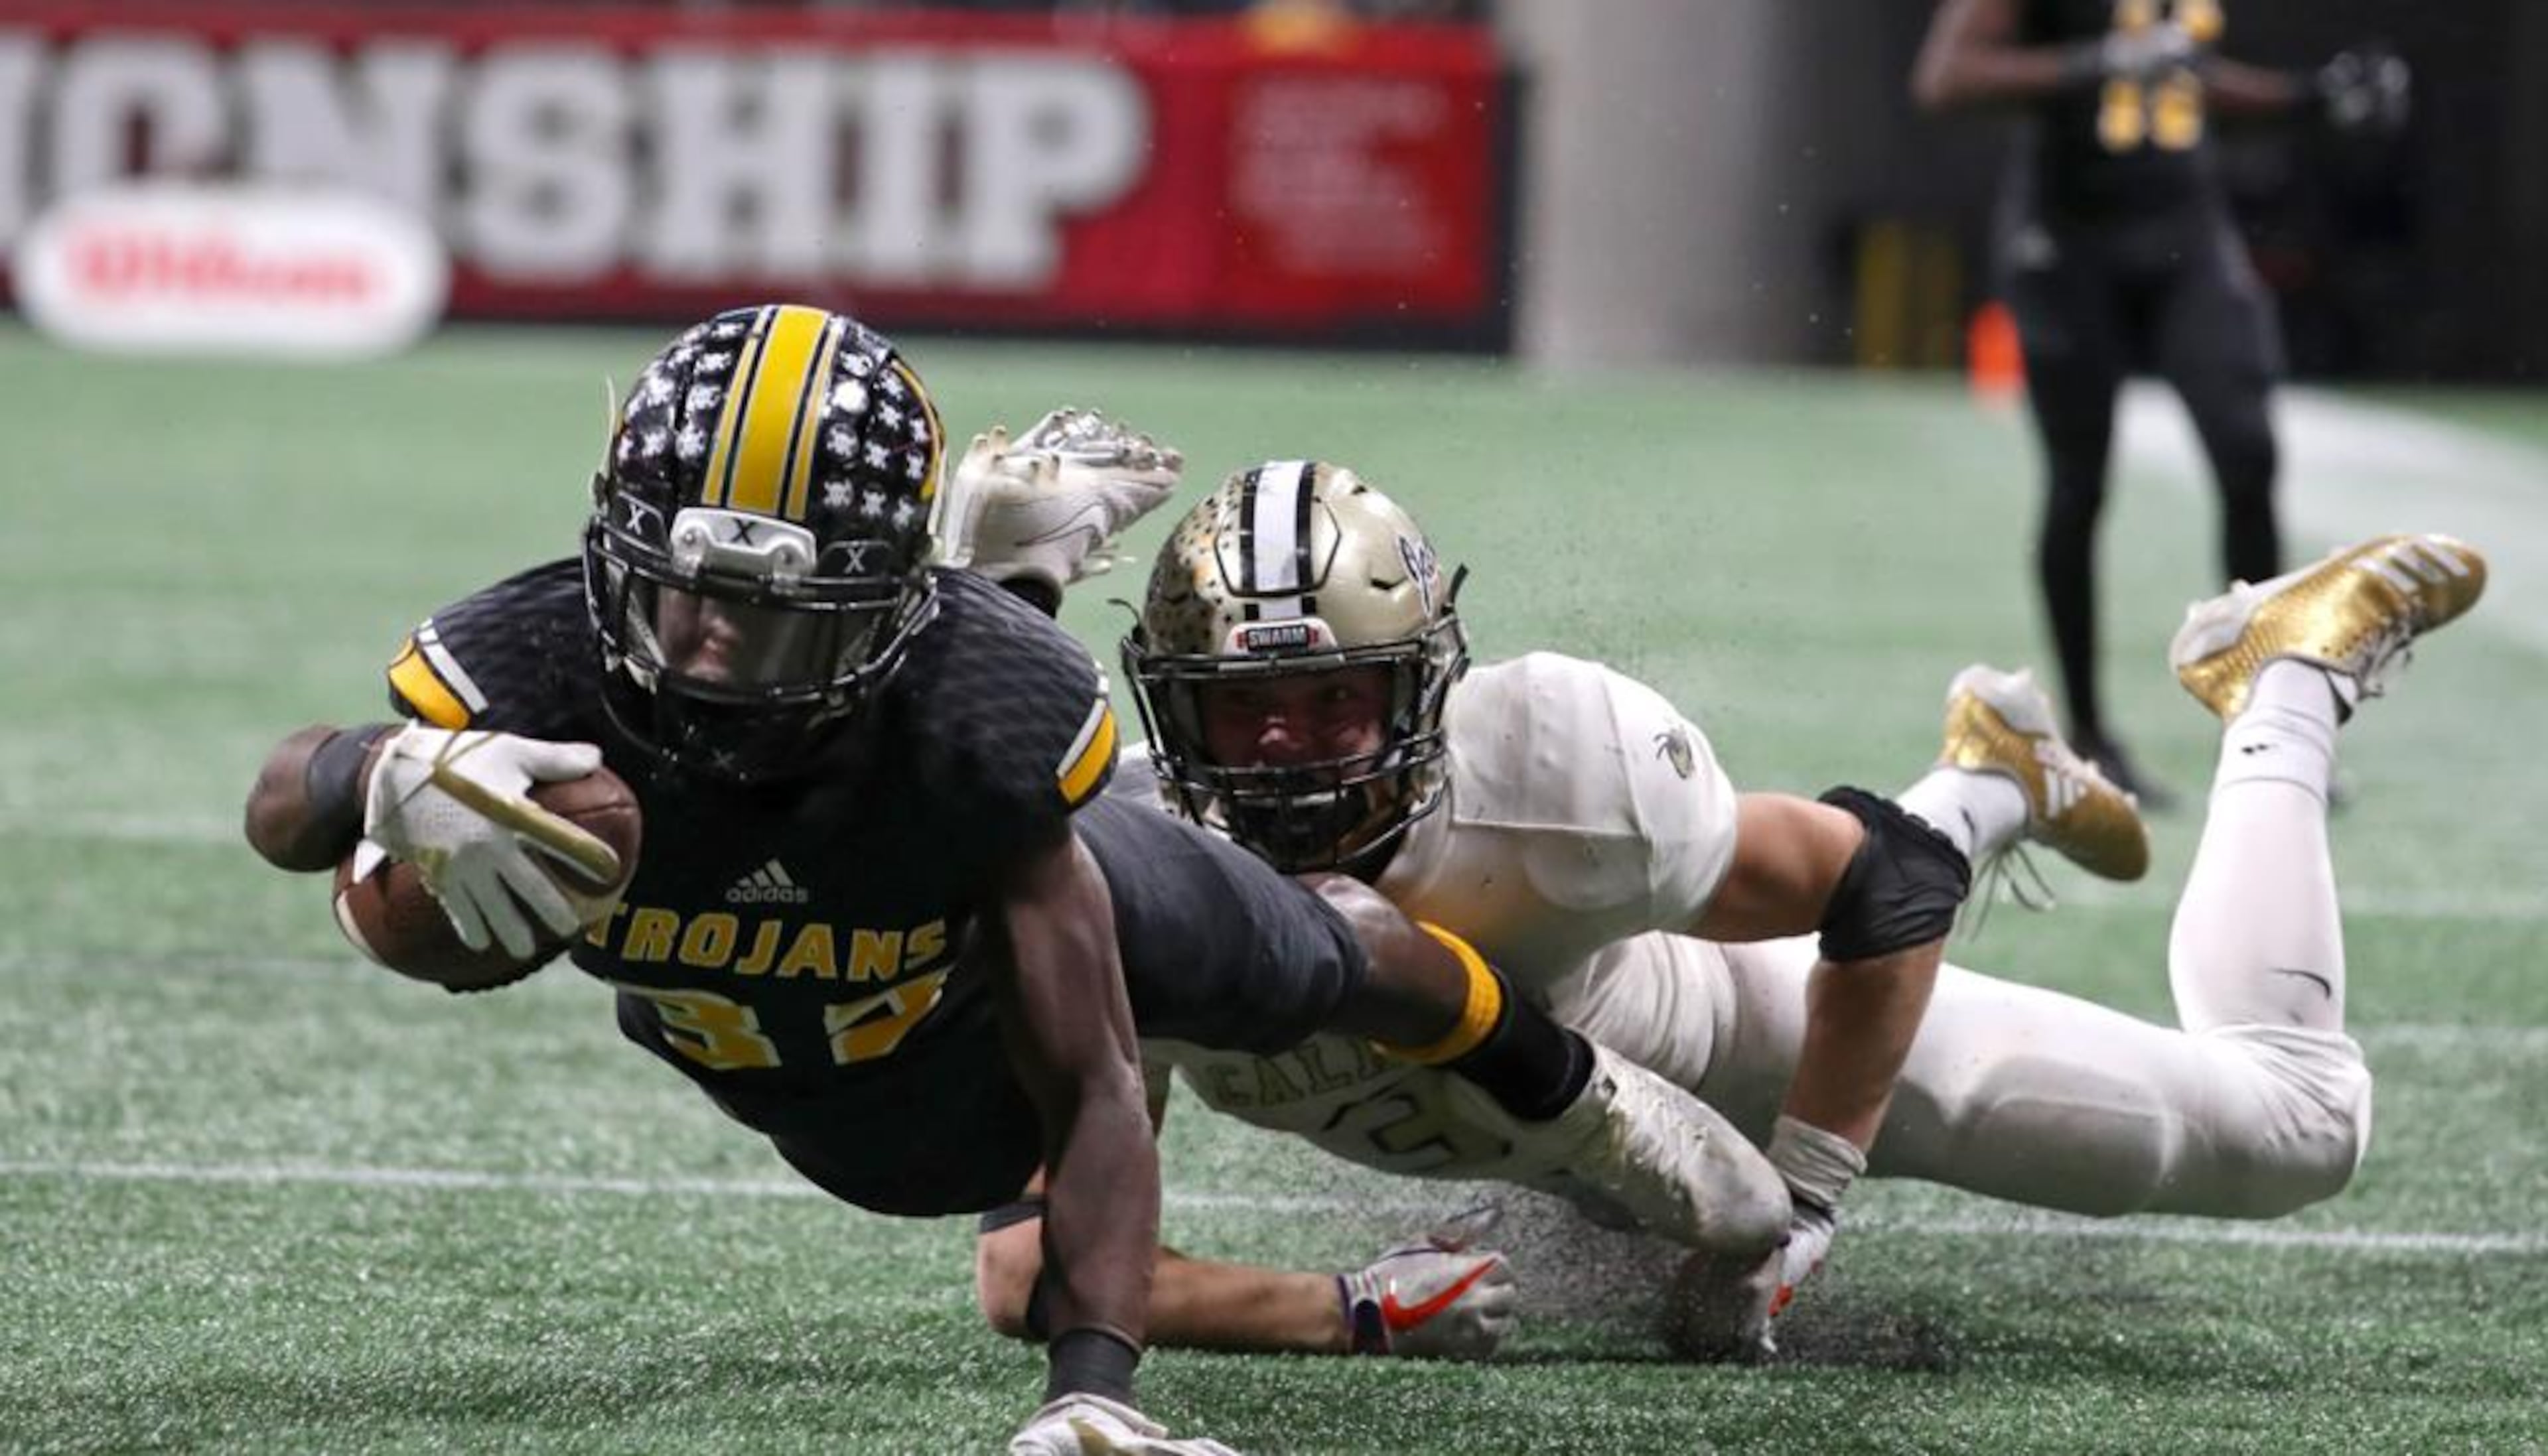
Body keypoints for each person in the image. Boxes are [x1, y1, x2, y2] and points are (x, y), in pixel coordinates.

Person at [240, 305, 1798, 1455]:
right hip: (816, 1074)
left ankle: (1593, 1099)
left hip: (962, 994)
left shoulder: (969, 717)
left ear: (880, 608)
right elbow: (280, 798)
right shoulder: (536, 668)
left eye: (775, 618)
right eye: (683, 595)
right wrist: (370, 773)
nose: (710, 653)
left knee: (1333, 951)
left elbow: (1094, 1078)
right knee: (554, 819)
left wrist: (1091, 1395)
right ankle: (1019, 556)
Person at [963, 461, 2482, 1362]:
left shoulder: (1554, 780)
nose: (1287, 749)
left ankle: (2284, 672)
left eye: (1328, 700)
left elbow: (1876, 877)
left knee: (2297, 1126)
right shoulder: (1130, 861)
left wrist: (1809, 1193)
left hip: (1732, 1059)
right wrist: (1346, 1308)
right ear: (1175, 712)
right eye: (1246, 713)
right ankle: (1994, 769)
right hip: (1579, 1148)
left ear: (1419, 688)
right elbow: (1034, 1269)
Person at [1912, 0, 2411, 806]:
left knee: (2247, 449)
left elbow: (2184, 82)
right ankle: (2091, 738)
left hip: (2183, 229)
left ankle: (2271, 722)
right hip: (2067, 243)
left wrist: (2308, 97)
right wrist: (2095, 63)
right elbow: (1946, 78)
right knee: (2079, 483)